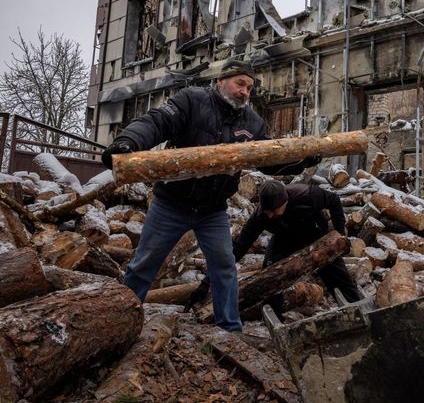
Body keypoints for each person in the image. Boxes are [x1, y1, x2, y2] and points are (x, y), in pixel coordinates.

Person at [100, 60, 318, 332]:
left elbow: (269, 161)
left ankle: (230, 329)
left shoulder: (252, 122)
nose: (244, 92)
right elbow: (157, 121)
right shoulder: (191, 100)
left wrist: (301, 161)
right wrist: (128, 142)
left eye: (249, 88)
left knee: (224, 267)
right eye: (240, 84)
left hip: (212, 211)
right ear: (220, 81)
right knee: (145, 263)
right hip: (172, 203)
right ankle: (120, 322)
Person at [192, 180, 362, 319]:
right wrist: (207, 282)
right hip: (285, 238)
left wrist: (338, 237)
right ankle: (276, 317)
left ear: (286, 201)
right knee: (270, 272)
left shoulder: (306, 194)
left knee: (337, 274)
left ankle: (358, 309)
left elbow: (334, 201)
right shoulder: (260, 217)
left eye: (275, 211)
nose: (270, 216)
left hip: (314, 232)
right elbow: (237, 249)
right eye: (267, 212)